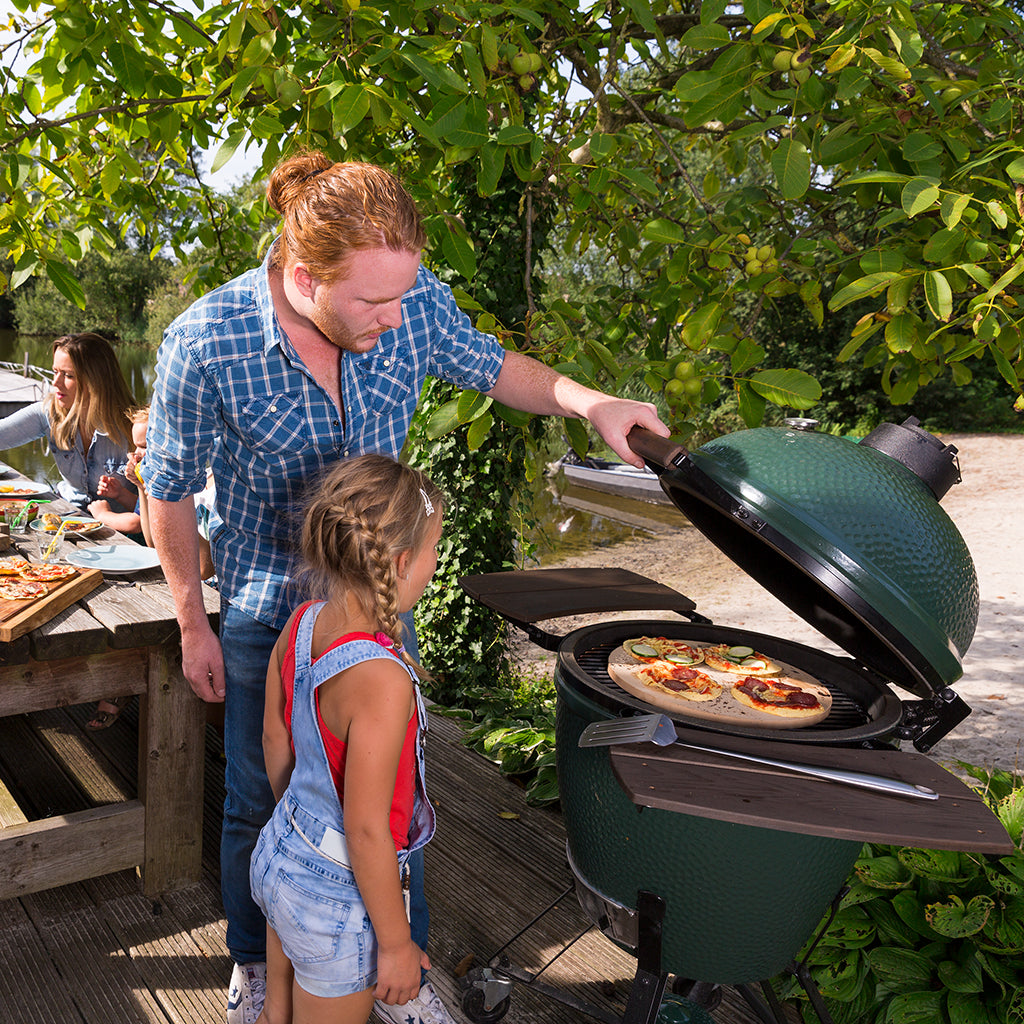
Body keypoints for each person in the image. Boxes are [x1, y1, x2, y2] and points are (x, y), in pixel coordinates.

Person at [142, 151, 669, 1024]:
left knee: (391, 804)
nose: (397, 319)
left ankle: (403, 976)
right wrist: (192, 624)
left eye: (403, 297)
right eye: (373, 304)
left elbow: (495, 367)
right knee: (254, 798)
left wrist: (591, 402)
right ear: (304, 275)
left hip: (381, 610)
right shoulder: (206, 341)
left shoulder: (411, 299)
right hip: (268, 610)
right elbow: (165, 490)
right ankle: (255, 963)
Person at [251, 454, 445, 1024]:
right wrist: (395, 943)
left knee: (274, 1015)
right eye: (434, 550)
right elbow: (363, 830)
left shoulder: (305, 620)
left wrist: (301, 822)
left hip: (279, 856)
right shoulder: (383, 682)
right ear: (403, 562)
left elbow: (273, 739)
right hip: (335, 897)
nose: (435, 564)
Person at [0, 332, 142, 730]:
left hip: (128, 538)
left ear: (94, 379)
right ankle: (44, 677)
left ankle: (117, 680)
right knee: (31, 574)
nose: (56, 385)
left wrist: (123, 498)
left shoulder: (132, 426)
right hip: (75, 524)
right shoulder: (53, 413)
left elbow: (155, 506)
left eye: (68, 376)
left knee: (112, 603)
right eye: (56, 373)